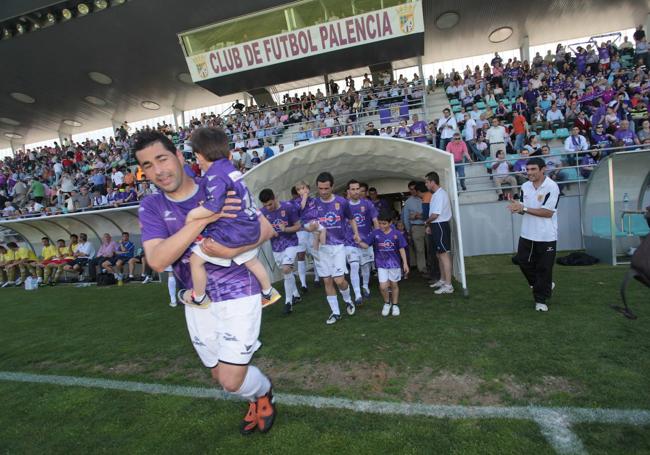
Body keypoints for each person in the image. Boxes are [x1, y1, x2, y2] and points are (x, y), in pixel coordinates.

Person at [133, 130, 277, 436]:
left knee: (230, 381)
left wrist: (231, 250)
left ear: (180, 157)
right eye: (147, 165)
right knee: (217, 374)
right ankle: (253, 397)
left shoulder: (215, 182)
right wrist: (203, 219)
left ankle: (263, 392)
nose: (158, 171)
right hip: (198, 299)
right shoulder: (152, 206)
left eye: (162, 159)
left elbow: (266, 228)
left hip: (238, 290)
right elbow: (158, 260)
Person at [182, 127, 280, 309]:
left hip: (232, 233)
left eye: (196, 157)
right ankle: (268, 291)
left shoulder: (214, 175)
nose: (197, 161)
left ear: (201, 154)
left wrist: (192, 215)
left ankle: (200, 297)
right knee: (251, 260)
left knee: (195, 261)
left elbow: (214, 206)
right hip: (249, 228)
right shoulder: (229, 167)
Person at [508, 157, 560, 312]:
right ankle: (543, 285)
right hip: (527, 233)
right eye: (527, 169)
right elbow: (525, 210)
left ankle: (540, 300)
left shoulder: (552, 187)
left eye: (533, 169)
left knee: (544, 268)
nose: (529, 172)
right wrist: (517, 209)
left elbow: (548, 213)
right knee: (522, 260)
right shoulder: (525, 186)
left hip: (546, 235)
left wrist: (523, 209)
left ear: (543, 169)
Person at [314, 172, 361, 325]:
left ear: (332, 186)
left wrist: (355, 233)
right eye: (321, 188)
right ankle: (335, 312)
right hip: (321, 248)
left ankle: (348, 300)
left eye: (326, 188)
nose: (324, 191)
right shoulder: (313, 204)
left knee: (339, 280)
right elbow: (307, 224)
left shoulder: (342, 202)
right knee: (327, 281)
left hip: (338, 246)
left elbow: (352, 219)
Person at [259, 189, 302, 314]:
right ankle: (296, 294)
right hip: (276, 247)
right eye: (265, 205)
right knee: (286, 272)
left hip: (291, 243)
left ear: (275, 198)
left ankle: (288, 302)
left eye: (270, 204)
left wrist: (286, 229)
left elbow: (298, 226)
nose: (268, 207)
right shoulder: (262, 213)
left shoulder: (288, 207)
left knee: (286, 269)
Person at [358, 210, 409, 317]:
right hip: (381, 264)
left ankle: (395, 305)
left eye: (384, 223)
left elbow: (401, 249)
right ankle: (387, 303)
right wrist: (358, 241)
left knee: (394, 285)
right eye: (380, 223)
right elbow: (366, 245)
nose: (381, 225)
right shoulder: (375, 233)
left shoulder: (397, 234)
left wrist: (405, 263)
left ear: (390, 223)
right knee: (383, 287)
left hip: (394, 264)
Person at [345, 180, 379, 305]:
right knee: (354, 266)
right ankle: (358, 294)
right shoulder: (344, 205)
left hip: (366, 241)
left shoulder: (368, 204)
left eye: (357, 189)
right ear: (348, 191)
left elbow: (375, 221)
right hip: (350, 242)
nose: (355, 191)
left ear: (360, 190)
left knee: (365, 267)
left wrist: (375, 237)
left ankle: (365, 286)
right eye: (352, 189)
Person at [424, 172, 454, 294]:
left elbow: (436, 215)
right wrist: (430, 225)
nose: (425, 184)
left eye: (426, 182)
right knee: (439, 254)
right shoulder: (436, 194)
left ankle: (448, 285)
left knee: (444, 255)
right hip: (437, 225)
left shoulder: (440, 194)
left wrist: (426, 222)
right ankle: (443, 280)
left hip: (440, 225)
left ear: (432, 182)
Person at [401, 181, 427, 276]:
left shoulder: (425, 198)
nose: (413, 191)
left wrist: (417, 215)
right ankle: (423, 269)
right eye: (411, 189)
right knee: (420, 250)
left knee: (430, 248)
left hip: (428, 225)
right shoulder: (408, 202)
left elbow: (428, 214)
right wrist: (408, 230)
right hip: (416, 227)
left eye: (414, 189)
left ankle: (432, 267)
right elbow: (406, 217)